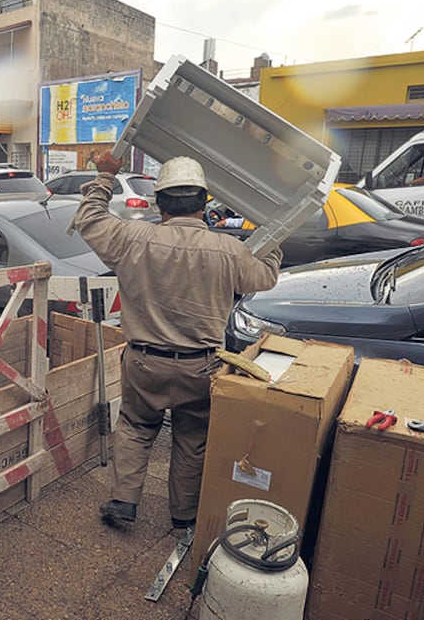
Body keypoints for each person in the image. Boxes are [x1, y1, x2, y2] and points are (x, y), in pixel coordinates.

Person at [74, 152, 283, 529]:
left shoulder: (131, 238)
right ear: (204, 204)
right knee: (191, 438)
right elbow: (265, 277)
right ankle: (183, 514)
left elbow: (89, 218)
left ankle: (123, 501)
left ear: (160, 203)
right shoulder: (230, 251)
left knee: (136, 428)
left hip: (143, 362)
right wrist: (274, 237)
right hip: (201, 366)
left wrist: (105, 175)